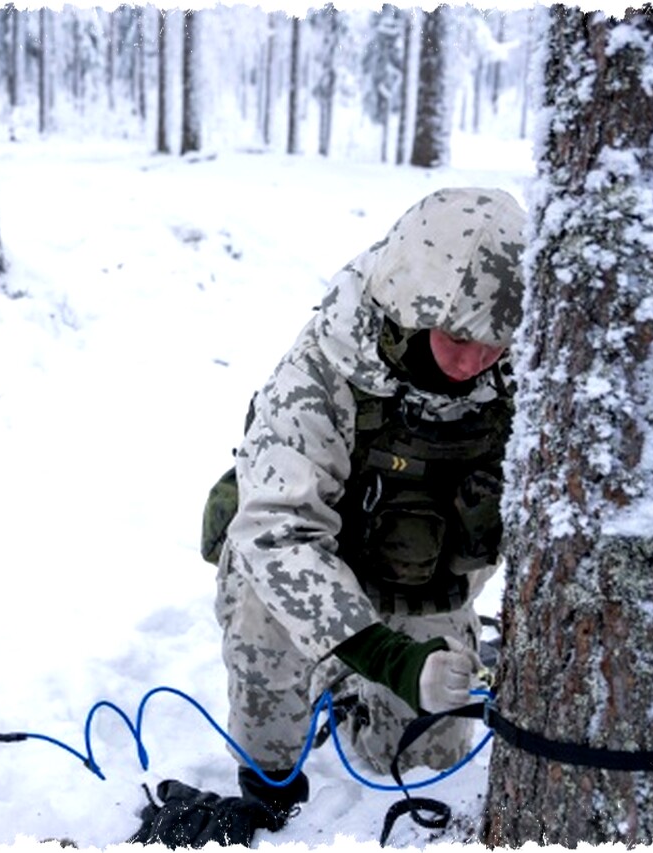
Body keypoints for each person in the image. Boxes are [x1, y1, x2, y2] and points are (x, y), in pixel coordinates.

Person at [136, 188, 526, 848]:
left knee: (421, 759)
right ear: (412, 308)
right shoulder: (322, 369)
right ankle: (273, 785)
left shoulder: (528, 365)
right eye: (457, 337)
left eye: (494, 342)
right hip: (297, 569)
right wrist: (388, 657)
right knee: (268, 636)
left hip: (422, 578)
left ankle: (351, 681)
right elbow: (278, 533)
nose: (472, 362)